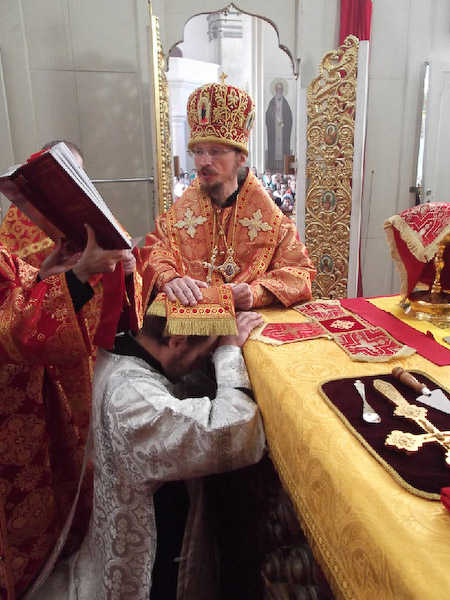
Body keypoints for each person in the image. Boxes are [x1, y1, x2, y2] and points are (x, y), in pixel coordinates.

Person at [32, 301, 266, 600]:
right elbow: (235, 427)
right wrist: (228, 353)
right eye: (202, 355)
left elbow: (185, 379)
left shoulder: (122, 347)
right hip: (152, 552)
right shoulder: (134, 400)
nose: (201, 363)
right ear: (177, 340)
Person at [0, 225, 131, 599]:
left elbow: (12, 291)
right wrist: (78, 276)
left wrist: (44, 276)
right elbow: (13, 331)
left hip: (26, 400)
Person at [141, 82, 316, 311]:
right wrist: (169, 278)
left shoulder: (276, 225)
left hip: (251, 325)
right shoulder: (174, 221)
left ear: (240, 158)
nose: (204, 161)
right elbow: (152, 255)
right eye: (198, 152)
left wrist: (256, 293)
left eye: (215, 151)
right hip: (191, 328)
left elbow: (300, 274)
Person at [265, 80, 293, 172]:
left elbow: (289, 117)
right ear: (275, 90)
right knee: (273, 146)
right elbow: (268, 116)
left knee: (284, 146)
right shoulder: (272, 102)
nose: (279, 91)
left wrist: (284, 121)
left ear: (282, 90)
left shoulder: (285, 103)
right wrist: (273, 114)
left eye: (280, 89)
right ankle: (271, 167)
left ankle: (286, 169)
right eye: (277, 89)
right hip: (274, 130)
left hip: (283, 130)